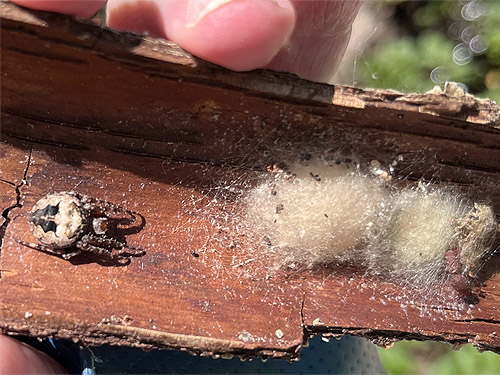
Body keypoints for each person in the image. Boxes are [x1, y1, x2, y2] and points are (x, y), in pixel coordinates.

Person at [0, 1, 366, 373]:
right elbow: (86, 236)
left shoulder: (88, 214)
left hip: (61, 216)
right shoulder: (86, 230)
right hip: (57, 222)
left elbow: (92, 214)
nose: (107, 224)